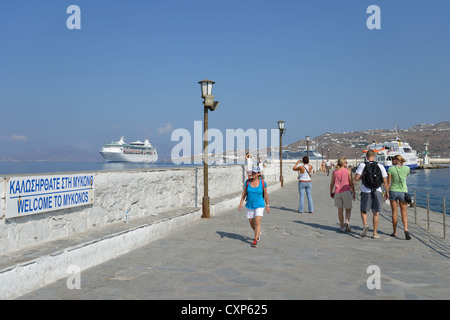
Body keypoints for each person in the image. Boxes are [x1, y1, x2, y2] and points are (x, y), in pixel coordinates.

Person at [355, 150, 389, 239]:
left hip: (366, 191)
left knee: (363, 210)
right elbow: (385, 181)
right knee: (375, 212)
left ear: (366, 156)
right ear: (374, 156)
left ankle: (365, 225)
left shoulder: (362, 165)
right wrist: (387, 192)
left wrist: (363, 177)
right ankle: (375, 233)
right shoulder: (380, 166)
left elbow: (356, 178)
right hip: (377, 190)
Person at [238, 166, 270, 247]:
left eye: (255, 173)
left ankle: (255, 240)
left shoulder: (262, 183)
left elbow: (266, 195)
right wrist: (240, 203)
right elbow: (244, 193)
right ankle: (258, 232)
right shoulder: (248, 182)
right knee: (251, 221)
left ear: (259, 174)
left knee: (257, 221)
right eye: (252, 173)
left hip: (259, 204)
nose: (253, 174)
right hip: (249, 204)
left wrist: (268, 205)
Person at [387, 155, 411, 240]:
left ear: (396, 160)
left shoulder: (391, 169)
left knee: (394, 212)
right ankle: (405, 229)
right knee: (404, 212)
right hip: (403, 191)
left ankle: (395, 232)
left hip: (393, 191)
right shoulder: (407, 168)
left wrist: (386, 192)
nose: (391, 161)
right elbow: (405, 177)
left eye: (393, 159)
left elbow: (389, 183)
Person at [330, 158, 356, 232]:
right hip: (346, 191)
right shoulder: (348, 171)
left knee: (340, 210)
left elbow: (332, 183)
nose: (347, 163)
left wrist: (331, 191)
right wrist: (354, 192)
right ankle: (347, 222)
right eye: (346, 162)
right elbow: (351, 183)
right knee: (348, 209)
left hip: (337, 192)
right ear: (343, 163)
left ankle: (342, 226)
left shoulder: (335, 172)